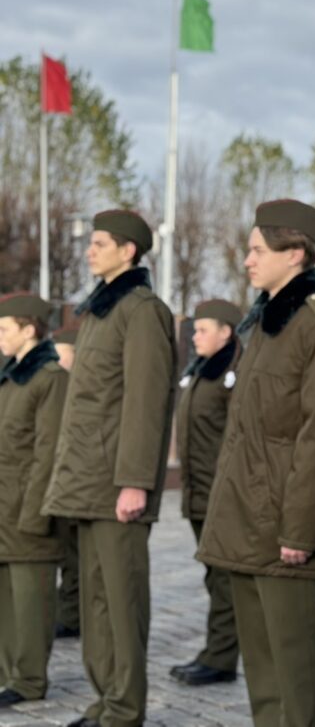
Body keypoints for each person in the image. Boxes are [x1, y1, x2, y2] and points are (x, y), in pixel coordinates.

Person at [198, 199, 315, 727]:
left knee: (294, 666)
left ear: (294, 254)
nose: (247, 260)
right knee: (262, 667)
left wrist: (300, 529)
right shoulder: (265, 328)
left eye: (257, 250)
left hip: (285, 525)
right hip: (245, 519)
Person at [43, 209, 176, 727]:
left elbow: (146, 403)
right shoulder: (100, 312)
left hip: (116, 485)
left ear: (128, 251)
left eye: (99, 243)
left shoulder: (142, 311)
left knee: (122, 601)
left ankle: (125, 707)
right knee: (95, 600)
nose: (89, 251)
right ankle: (105, 700)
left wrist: (135, 483)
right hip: (85, 480)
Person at [169, 299, 243, 687]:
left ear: (225, 332)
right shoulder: (201, 372)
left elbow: (237, 440)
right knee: (214, 577)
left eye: (202, 330)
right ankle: (216, 651)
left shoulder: (233, 375)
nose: (195, 336)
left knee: (224, 580)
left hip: (221, 495)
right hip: (199, 492)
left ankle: (221, 657)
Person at [0, 294, 68, 708]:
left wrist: (34, 514)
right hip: (4, 507)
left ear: (29, 330)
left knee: (31, 602)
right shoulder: (10, 377)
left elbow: (49, 453)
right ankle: (8, 673)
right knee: (7, 600)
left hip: (29, 510)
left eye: (4, 329)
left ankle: (28, 679)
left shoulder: (49, 379)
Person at [51, 328, 80, 640]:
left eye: (63, 355)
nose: (57, 362)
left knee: (74, 555)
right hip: (58, 482)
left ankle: (72, 614)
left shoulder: (79, 390)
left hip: (76, 482)